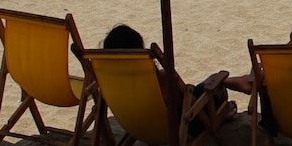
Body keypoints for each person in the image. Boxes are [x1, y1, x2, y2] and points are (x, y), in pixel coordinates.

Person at [102, 23, 238, 124]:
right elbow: (187, 103)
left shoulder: (109, 82)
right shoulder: (160, 80)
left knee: (208, 82)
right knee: (216, 84)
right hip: (182, 125)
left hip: (138, 125)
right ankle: (221, 114)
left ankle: (228, 84)